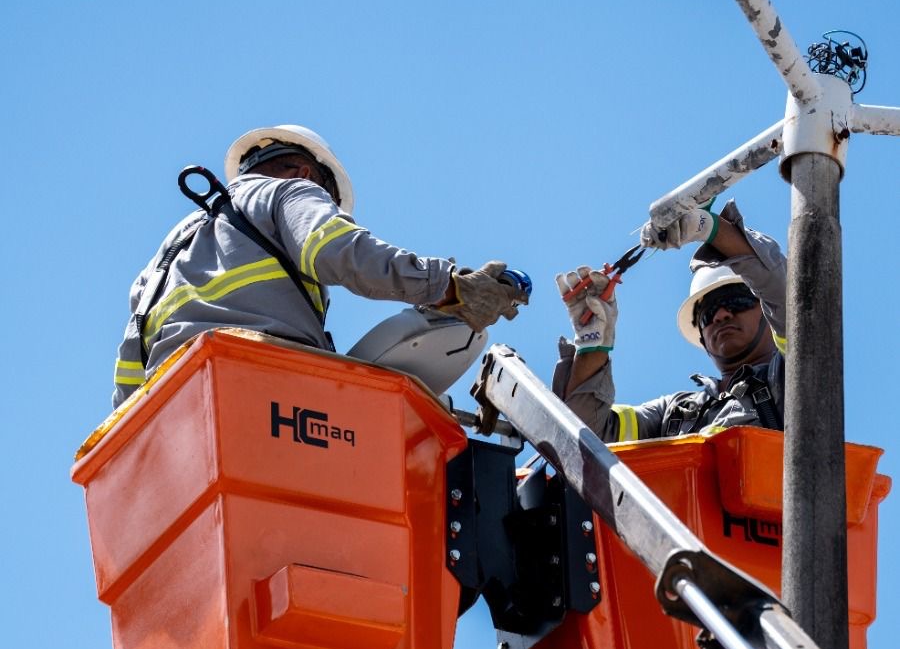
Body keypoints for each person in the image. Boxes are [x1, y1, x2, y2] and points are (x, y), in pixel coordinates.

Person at [112, 124, 525, 409]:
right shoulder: (289, 193)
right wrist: (451, 287)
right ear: (309, 175)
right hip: (266, 383)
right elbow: (340, 252)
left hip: (172, 403)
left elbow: (130, 369)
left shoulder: (164, 257)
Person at [553, 199, 787, 439]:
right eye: (707, 313)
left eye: (737, 301)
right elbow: (590, 439)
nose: (720, 315)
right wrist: (593, 343)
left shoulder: (797, 372)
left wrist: (709, 228)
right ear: (701, 336)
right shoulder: (675, 413)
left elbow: (795, 299)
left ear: (767, 311)